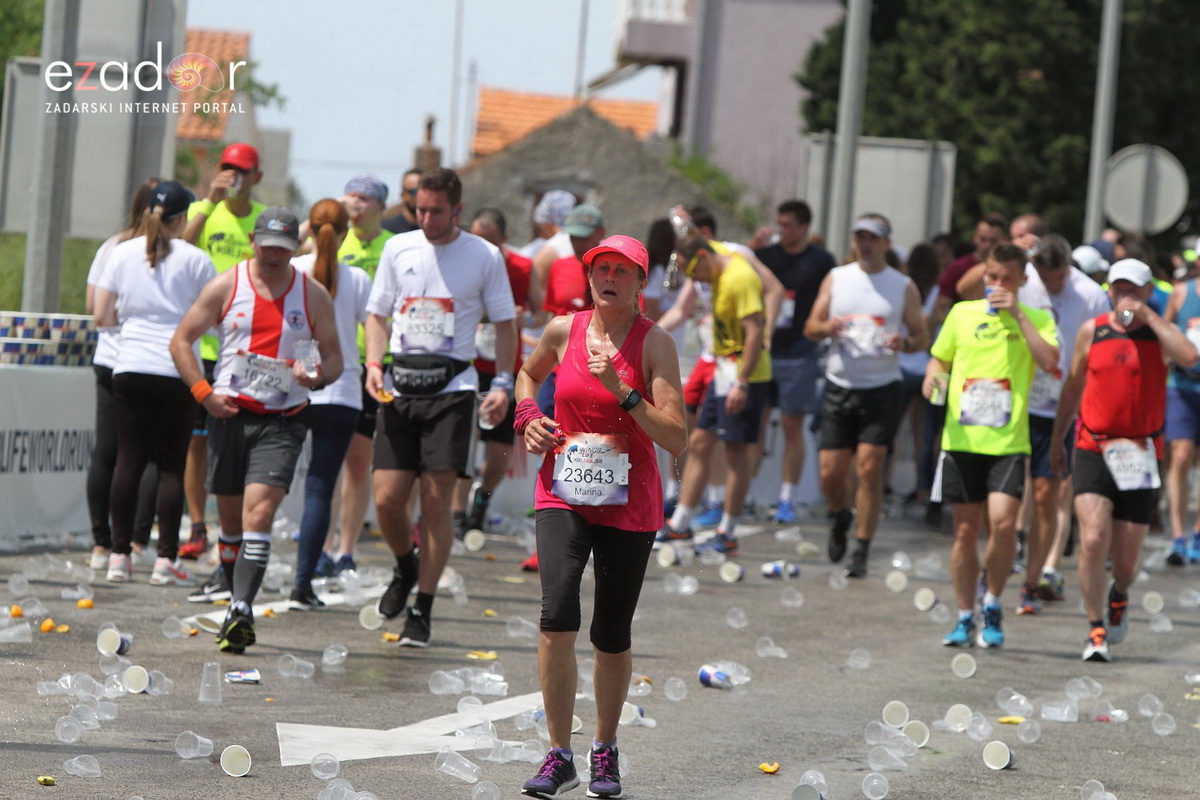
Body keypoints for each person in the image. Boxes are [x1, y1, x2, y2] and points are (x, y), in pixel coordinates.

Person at [514, 234, 686, 800]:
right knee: (556, 611)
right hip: (563, 490)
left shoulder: (655, 343)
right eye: (599, 269)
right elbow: (527, 374)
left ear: (641, 282)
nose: (608, 278)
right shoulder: (564, 330)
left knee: (611, 632)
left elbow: (677, 438)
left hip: (627, 502)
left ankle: (604, 749)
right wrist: (526, 416)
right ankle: (559, 753)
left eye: (621, 271)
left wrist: (625, 392)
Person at [169, 206, 343, 652]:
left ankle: (242, 609)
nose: (273, 255)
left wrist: (317, 376)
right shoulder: (228, 284)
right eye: (266, 246)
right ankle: (233, 598)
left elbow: (336, 358)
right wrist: (204, 394)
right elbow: (181, 340)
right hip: (229, 415)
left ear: (294, 249)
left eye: (283, 249)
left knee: (259, 515)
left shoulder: (313, 294)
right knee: (229, 523)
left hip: (284, 420)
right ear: (252, 240)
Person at [365, 167, 517, 647]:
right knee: (387, 500)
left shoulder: (484, 255)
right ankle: (405, 564)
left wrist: (505, 383)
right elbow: (376, 313)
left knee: (435, 504)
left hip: (452, 389)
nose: (426, 218)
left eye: (435, 211)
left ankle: (423, 607)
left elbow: (507, 324)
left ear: (457, 210)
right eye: (420, 209)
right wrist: (372, 362)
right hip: (399, 385)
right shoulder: (398, 248)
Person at [1050, 259, 1197, 662]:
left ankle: (1119, 595)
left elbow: (1188, 355)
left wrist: (1148, 313)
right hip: (1092, 445)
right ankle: (1095, 628)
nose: (1124, 296)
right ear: (1108, 291)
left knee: (1128, 559)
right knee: (1094, 537)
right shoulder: (1091, 331)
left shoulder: (1156, 333)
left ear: (1149, 292)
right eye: (1118, 289)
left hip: (1139, 452)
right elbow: (1072, 388)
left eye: (1134, 289)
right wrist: (1057, 439)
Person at [925, 242, 1058, 649]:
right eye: (992, 277)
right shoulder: (961, 314)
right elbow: (938, 359)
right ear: (984, 276)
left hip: (1008, 441)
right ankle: (965, 615)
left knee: (1002, 525)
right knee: (965, 531)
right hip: (962, 440)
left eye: (1006, 279)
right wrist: (932, 377)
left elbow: (1051, 361)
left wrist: (1017, 314)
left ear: (1021, 281)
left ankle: (994, 601)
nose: (997, 285)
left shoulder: (1035, 318)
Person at [94, 180, 217, 585]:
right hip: (177, 370)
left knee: (127, 460)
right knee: (169, 466)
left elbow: (101, 315)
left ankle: (118, 555)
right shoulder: (196, 259)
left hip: (128, 366)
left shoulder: (121, 252)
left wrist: (130, 326)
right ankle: (165, 561)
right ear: (183, 218)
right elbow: (213, 317)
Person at [804, 214, 928, 577]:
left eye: (872, 238)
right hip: (840, 385)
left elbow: (922, 335)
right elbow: (810, 326)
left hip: (882, 387)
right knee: (830, 473)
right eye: (860, 236)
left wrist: (904, 342)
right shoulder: (837, 278)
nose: (865, 243)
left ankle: (862, 546)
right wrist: (827, 327)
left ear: (886, 243)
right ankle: (840, 514)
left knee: (870, 469)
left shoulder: (902, 285)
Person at [658, 228, 772, 556]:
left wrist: (743, 382)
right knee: (699, 441)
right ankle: (680, 523)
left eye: (696, 272)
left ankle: (729, 530)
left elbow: (754, 334)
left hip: (743, 374)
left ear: (705, 257)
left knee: (735, 452)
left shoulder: (739, 277)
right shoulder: (716, 272)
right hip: (721, 369)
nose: (698, 282)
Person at [179, 142, 267, 561]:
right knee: (196, 442)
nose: (235, 177)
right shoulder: (204, 209)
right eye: (228, 168)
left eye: (243, 171)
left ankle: (237, 528)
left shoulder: (262, 219)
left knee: (239, 441)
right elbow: (181, 249)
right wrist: (209, 201)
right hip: (203, 346)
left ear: (257, 178)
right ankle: (198, 525)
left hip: (244, 349)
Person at [1014, 235, 1110, 614]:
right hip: (1023, 399)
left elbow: (1099, 355)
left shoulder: (1089, 295)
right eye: (1046, 278)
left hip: (1070, 404)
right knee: (1020, 490)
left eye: (1058, 278)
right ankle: (1020, 553)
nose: (1052, 286)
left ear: (1068, 268)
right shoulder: (1022, 281)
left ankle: (1045, 569)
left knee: (1054, 492)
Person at [290, 199, 373, 609]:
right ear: (345, 234)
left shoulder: (294, 272)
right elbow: (369, 326)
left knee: (270, 483)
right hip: (341, 388)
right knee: (320, 487)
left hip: (294, 386)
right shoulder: (357, 278)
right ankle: (304, 581)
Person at [314, 173, 395, 577]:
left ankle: (346, 549)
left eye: (365, 198)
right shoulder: (330, 240)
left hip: (376, 365)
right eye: (350, 196)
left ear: (381, 206)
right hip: (333, 363)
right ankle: (320, 545)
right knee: (325, 462)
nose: (355, 203)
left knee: (359, 463)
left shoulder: (392, 247)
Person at [85, 177, 163, 571]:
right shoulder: (177, 252)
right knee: (147, 455)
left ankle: (101, 545)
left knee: (108, 450)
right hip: (154, 363)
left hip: (111, 357)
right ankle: (134, 541)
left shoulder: (113, 247)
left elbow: (94, 306)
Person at [755, 200, 835, 524]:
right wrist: (753, 246)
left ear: (804, 227)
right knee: (755, 423)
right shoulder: (767, 255)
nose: (782, 231)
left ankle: (787, 498)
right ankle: (748, 495)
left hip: (800, 351)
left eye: (788, 225)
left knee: (792, 426)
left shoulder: (821, 260)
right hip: (766, 349)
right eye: (779, 224)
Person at [454, 207, 531, 535]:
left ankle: (482, 502)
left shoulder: (522, 268)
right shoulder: (462, 263)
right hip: (469, 366)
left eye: (488, 240)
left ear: (503, 239)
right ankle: (458, 515)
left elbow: (537, 311)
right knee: (463, 446)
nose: (480, 246)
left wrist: (520, 315)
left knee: (498, 456)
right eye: (476, 238)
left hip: (504, 368)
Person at [1161, 269, 1200, 566]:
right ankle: (1177, 536)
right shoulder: (1181, 292)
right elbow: (1164, 332)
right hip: (1182, 386)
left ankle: (1197, 533)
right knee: (1182, 457)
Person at [930, 212, 1007, 328]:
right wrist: (962, 327)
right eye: (983, 239)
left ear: (1004, 240)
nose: (987, 245)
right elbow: (939, 309)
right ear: (975, 238)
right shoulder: (958, 268)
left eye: (993, 241)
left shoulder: (1011, 269)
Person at [381, 168, 421, 234]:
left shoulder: (434, 231)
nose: (420, 196)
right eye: (415, 192)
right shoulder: (387, 230)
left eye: (424, 191)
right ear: (403, 195)